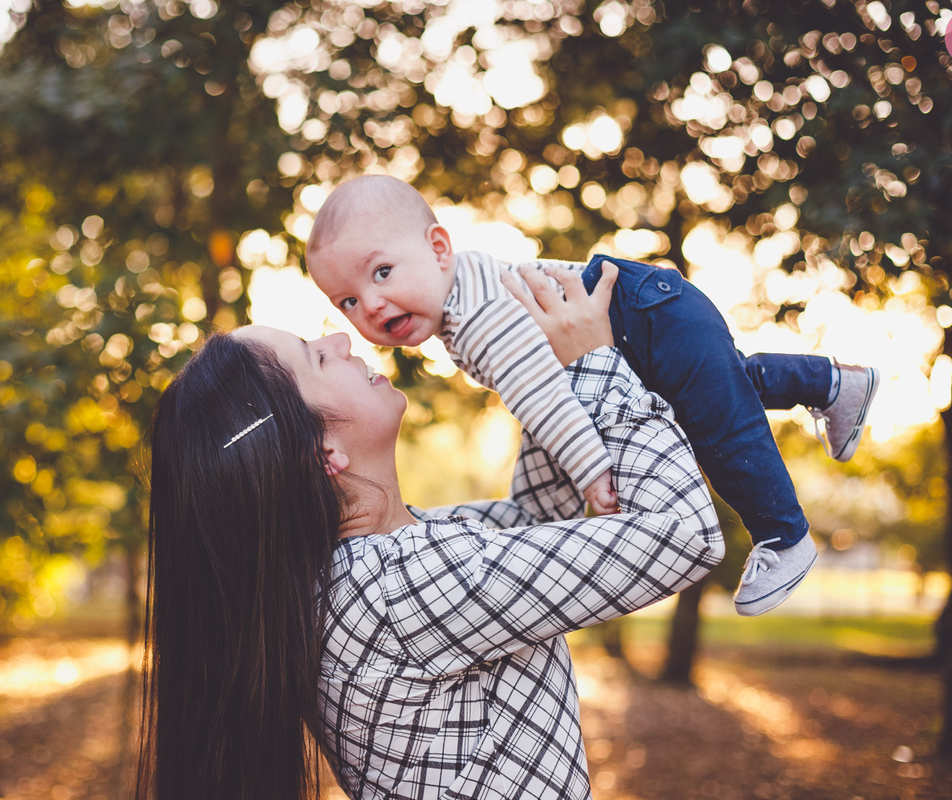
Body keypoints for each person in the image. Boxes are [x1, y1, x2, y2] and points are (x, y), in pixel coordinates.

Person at [136, 267, 723, 799]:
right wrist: (593, 358)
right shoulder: (399, 586)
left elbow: (536, 521)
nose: (341, 339)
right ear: (322, 453)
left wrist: (534, 362)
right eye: (316, 358)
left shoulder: (368, 570)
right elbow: (683, 534)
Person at [305, 174, 881, 616]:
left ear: (438, 250)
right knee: (730, 388)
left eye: (381, 273)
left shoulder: (477, 315)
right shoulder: (463, 297)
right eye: (348, 301)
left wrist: (590, 472)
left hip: (643, 319)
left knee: (721, 427)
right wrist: (541, 504)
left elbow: (541, 394)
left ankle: (784, 535)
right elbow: (543, 398)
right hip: (649, 311)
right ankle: (834, 383)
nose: (371, 306)